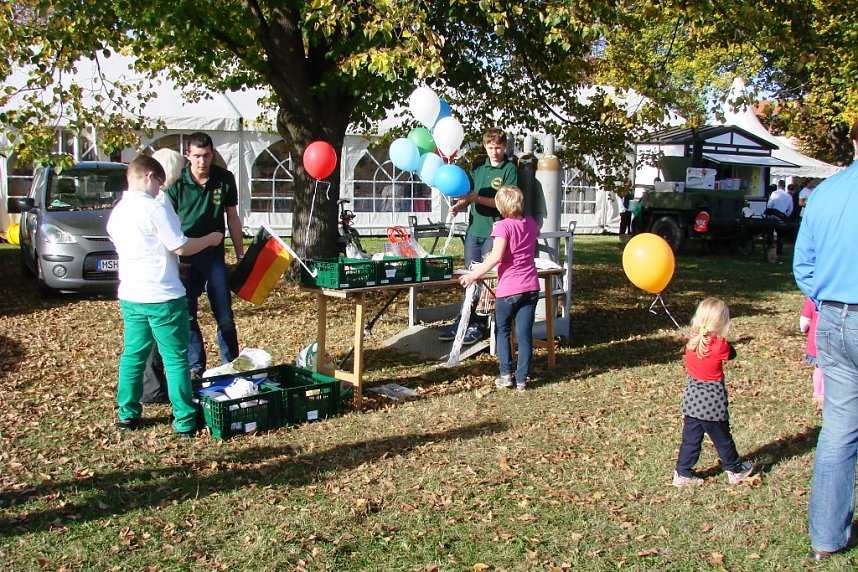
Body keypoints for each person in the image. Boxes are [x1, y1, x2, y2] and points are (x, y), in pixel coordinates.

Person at [107, 155, 223, 435]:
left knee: (133, 355)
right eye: (159, 182)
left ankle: (127, 414)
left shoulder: (118, 211)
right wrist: (212, 238)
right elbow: (179, 245)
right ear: (148, 176)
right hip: (162, 295)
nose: (161, 188)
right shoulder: (154, 207)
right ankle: (184, 418)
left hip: (132, 294)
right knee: (175, 358)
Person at [793, 118, 858, 561]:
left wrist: (829, 299)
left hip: (835, 318)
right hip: (837, 313)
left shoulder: (825, 194)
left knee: (837, 432)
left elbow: (805, 268)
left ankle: (825, 538)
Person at [163, 133, 244, 377]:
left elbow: (232, 218)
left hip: (214, 257)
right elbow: (168, 222)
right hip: (185, 257)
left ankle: (232, 364)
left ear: (212, 153)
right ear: (187, 155)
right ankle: (196, 366)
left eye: (206, 155)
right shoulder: (176, 182)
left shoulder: (224, 179)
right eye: (197, 156)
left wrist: (240, 255)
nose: (202, 161)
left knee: (225, 315)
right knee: (187, 314)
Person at [439, 128, 518, 345]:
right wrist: (459, 205)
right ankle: (463, 320)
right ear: (485, 146)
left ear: (505, 148)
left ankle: (479, 324)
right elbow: (468, 193)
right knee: (469, 278)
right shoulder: (478, 167)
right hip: (473, 232)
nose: (495, 152)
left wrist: (478, 198)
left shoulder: (509, 169)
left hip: (494, 234)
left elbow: (505, 204)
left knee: (485, 280)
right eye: (491, 147)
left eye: (499, 148)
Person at [459, 186, 538, 392]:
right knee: (524, 334)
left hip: (510, 288)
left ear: (501, 206)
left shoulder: (502, 226)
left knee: (502, 330)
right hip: (531, 286)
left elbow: (496, 257)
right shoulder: (531, 223)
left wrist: (473, 275)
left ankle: (506, 375)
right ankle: (522, 379)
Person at [672, 297, 754, 487]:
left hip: (691, 401)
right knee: (723, 439)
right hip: (712, 404)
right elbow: (732, 354)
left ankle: (682, 473)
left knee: (690, 440)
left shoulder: (691, 343)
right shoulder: (720, 345)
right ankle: (735, 469)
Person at [799, 297, 824, 412]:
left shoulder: (812, 298)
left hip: (815, 341)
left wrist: (804, 329)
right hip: (830, 341)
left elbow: (804, 321)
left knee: (819, 368)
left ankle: (816, 394)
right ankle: (823, 395)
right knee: (829, 370)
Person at [764, 180, 794, 259]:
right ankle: (779, 251)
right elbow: (790, 209)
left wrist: (769, 212)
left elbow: (769, 205)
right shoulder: (789, 196)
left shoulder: (775, 194)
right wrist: (785, 216)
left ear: (778, 185)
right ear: (784, 186)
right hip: (782, 216)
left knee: (770, 233)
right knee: (781, 235)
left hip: (773, 215)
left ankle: (769, 249)